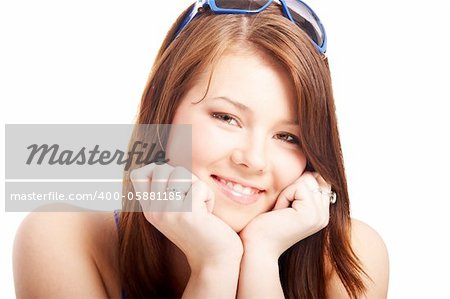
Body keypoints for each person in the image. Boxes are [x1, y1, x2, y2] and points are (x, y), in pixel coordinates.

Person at [13, 0, 389, 298]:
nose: (253, 159)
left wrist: (259, 259)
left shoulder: (351, 259)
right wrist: (215, 265)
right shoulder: (63, 239)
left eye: (288, 137)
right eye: (226, 118)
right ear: (165, 111)